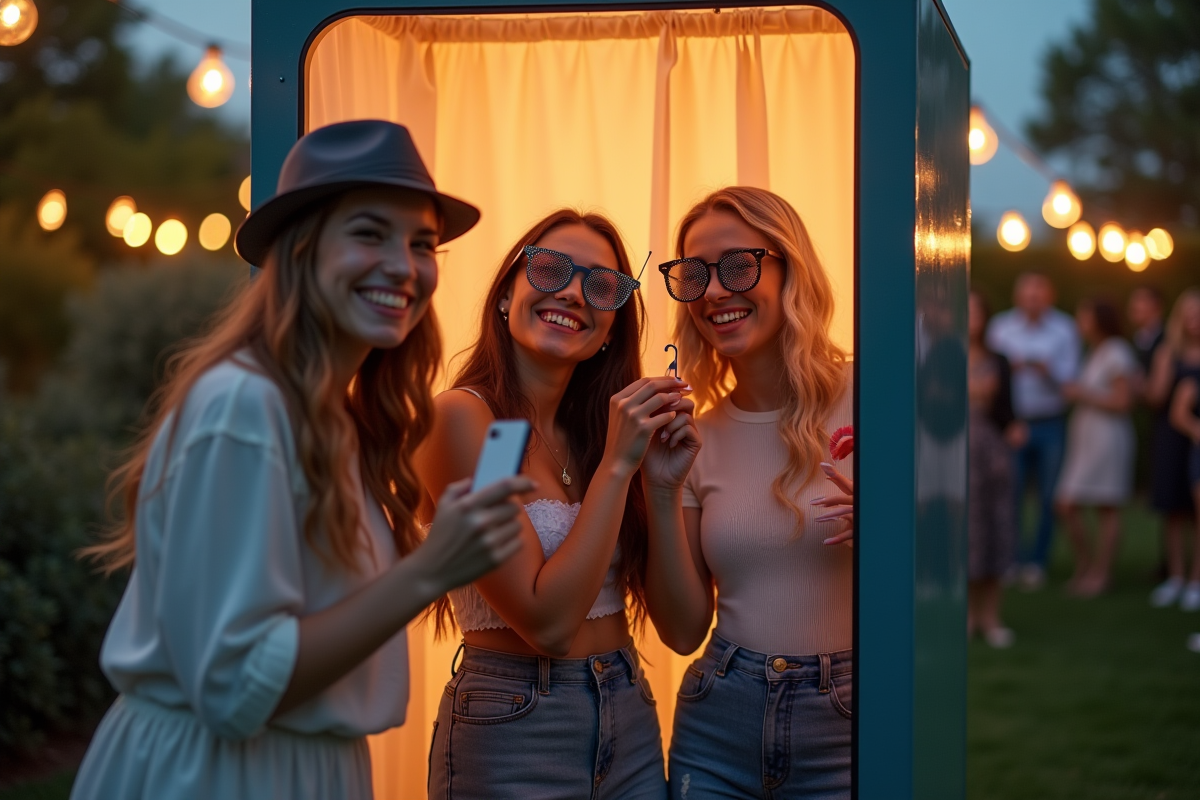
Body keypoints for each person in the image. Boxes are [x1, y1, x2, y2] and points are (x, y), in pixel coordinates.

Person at [68, 121, 532, 800]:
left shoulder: (334, 420)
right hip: (219, 776)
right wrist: (434, 570)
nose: (403, 266)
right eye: (369, 234)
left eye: (422, 243)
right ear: (301, 252)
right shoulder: (246, 408)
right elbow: (234, 689)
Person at [416, 210, 692, 799]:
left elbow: (683, 629)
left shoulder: (596, 434)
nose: (571, 292)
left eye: (601, 286)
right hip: (515, 730)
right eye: (549, 268)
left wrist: (661, 487)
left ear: (613, 327)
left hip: (629, 717)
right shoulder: (474, 423)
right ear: (505, 292)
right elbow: (546, 623)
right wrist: (620, 466)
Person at [644, 187, 854, 799]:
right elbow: (683, 632)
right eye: (694, 273)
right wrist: (661, 490)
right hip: (718, 729)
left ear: (790, 267)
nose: (713, 291)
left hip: (848, 726)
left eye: (737, 266)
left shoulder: (874, 395)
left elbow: (948, 558)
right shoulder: (694, 439)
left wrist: (892, 526)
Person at [986, 272, 1081, 590]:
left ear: (1049, 297)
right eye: (1027, 294)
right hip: (1013, 423)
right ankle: (1011, 559)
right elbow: (991, 376)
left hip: (1050, 421)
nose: (1033, 300)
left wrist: (1047, 371)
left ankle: (1037, 561)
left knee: (1048, 496)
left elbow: (1071, 382)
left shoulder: (1064, 329)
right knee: (1009, 493)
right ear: (1017, 296)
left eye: (1038, 295)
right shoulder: (1001, 327)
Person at [1055, 296, 1140, 597]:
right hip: (1088, 438)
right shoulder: (1095, 351)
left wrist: (1082, 393)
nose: (1080, 322)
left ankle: (1101, 574)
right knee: (1066, 503)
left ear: (1099, 319)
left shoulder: (1117, 351)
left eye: (1084, 316)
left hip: (1108, 438)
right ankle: (1086, 567)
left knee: (1104, 505)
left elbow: (1123, 401)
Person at [967, 292, 1018, 647]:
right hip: (952, 453)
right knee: (964, 533)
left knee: (997, 526)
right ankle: (965, 618)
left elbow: (1008, 410)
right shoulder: (938, 356)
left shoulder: (999, 360)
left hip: (992, 452)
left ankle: (991, 617)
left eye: (975, 311)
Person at [1159, 288, 1200, 610]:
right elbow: (1155, 396)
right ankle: (1175, 576)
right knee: (1174, 510)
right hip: (1174, 436)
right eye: (1188, 314)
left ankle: (1195, 580)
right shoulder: (1170, 351)